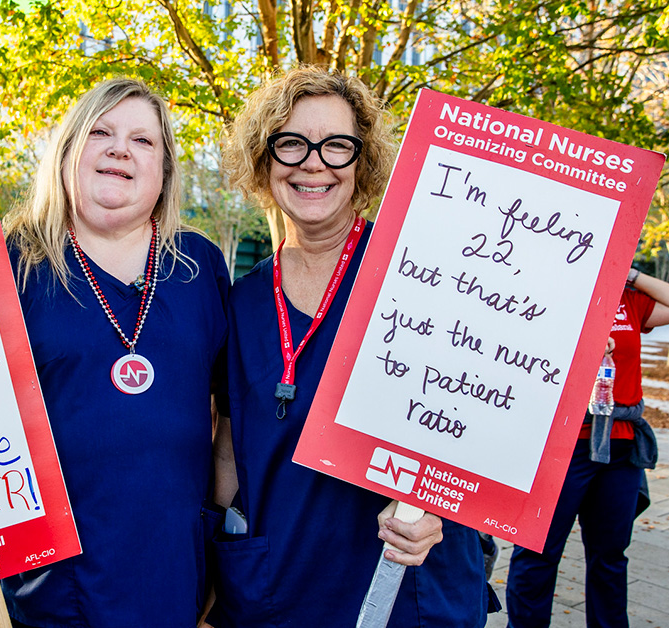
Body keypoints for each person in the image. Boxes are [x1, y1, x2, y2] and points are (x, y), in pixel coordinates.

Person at [0, 78, 230, 628]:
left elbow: (226, 425)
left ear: (165, 170)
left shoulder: (200, 267)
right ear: (67, 154)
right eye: (102, 132)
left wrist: (229, 565)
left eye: (143, 140)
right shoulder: (4, 263)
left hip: (176, 575)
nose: (120, 149)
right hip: (46, 585)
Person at [209, 66, 493, 627]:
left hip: (406, 586)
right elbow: (227, 451)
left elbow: (481, 428)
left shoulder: (427, 277)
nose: (313, 162)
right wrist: (210, 582)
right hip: (279, 590)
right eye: (290, 143)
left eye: (336, 146)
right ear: (264, 161)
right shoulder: (238, 301)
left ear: (361, 162)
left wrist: (441, 508)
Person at [505, 268, 669, 628]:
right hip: (564, 446)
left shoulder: (630, 300)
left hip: (621, 445)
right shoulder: (554, 294)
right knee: (538, 551)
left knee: (610, 556)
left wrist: (631, 274)